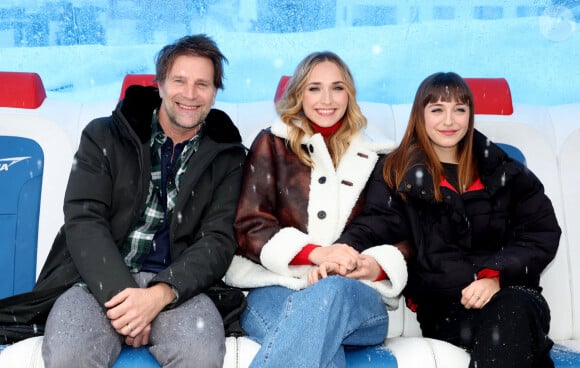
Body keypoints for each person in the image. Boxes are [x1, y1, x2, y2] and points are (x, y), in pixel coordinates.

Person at [21, 34, 245, 367]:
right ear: (159, 84)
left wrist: (158, 294)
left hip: (180, 288)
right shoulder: (105, 135)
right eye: (179, 80)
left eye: (203, 84)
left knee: (199, 354)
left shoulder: (227, 156)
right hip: (96, 280)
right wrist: (125, 301)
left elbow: (218, 241)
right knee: (70, 354)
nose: (189, 94)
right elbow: (84, 220)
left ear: (215, 92)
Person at [336, 72, 561, 368]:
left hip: (513, 295)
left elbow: (540, 233)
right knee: (517, 341)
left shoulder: (504, 171)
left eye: (459, 109)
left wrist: (496, 276)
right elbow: (376, 223)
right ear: (420, 115)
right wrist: (343, 249)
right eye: (437, 110)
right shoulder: (397, 172)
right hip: (447, 311)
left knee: (513, 312)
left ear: (470, 115)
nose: (449, 120)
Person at [224, 51, 409, 368]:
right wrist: (314, 254)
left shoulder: (381, 156)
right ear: (298, 94)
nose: (327, 99)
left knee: (330, 295)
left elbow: (399, 232)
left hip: (355, 296)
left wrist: (367, 265)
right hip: (275, 288)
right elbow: (250, 225)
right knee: (319, 347)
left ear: (349, 94)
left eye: (337, 87)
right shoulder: (272, 143)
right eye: (314, 88)